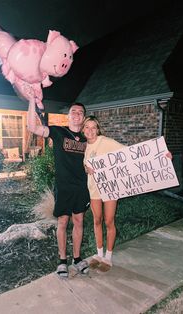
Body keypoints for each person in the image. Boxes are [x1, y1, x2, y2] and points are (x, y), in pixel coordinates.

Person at [27, 98, 90, 278]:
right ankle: (62, 261)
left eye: (80, 112)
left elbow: (112, 154)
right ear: (68, 116)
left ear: (83, 117)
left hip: (81, 187)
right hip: (63, 187)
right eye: (73, 111)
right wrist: (32, 100)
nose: (77, 114)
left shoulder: (89, 138)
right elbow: (32, 127)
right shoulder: (58, 132)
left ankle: (77, 259)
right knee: (62, 222)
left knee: (78, 222)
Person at [82, 115, 126, 272]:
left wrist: (161, 155)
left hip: (110, 188)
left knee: (109, 221)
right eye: (87, 127)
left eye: (93, 127)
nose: (90, 131)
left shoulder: (106, 142)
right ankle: (99, 253)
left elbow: (129, 153)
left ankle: (108, 256)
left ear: (98, 129)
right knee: (97, 220)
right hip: (93, 189)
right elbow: (85, 167)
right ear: (83, 129)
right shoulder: (84, 147)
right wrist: (87, 169)